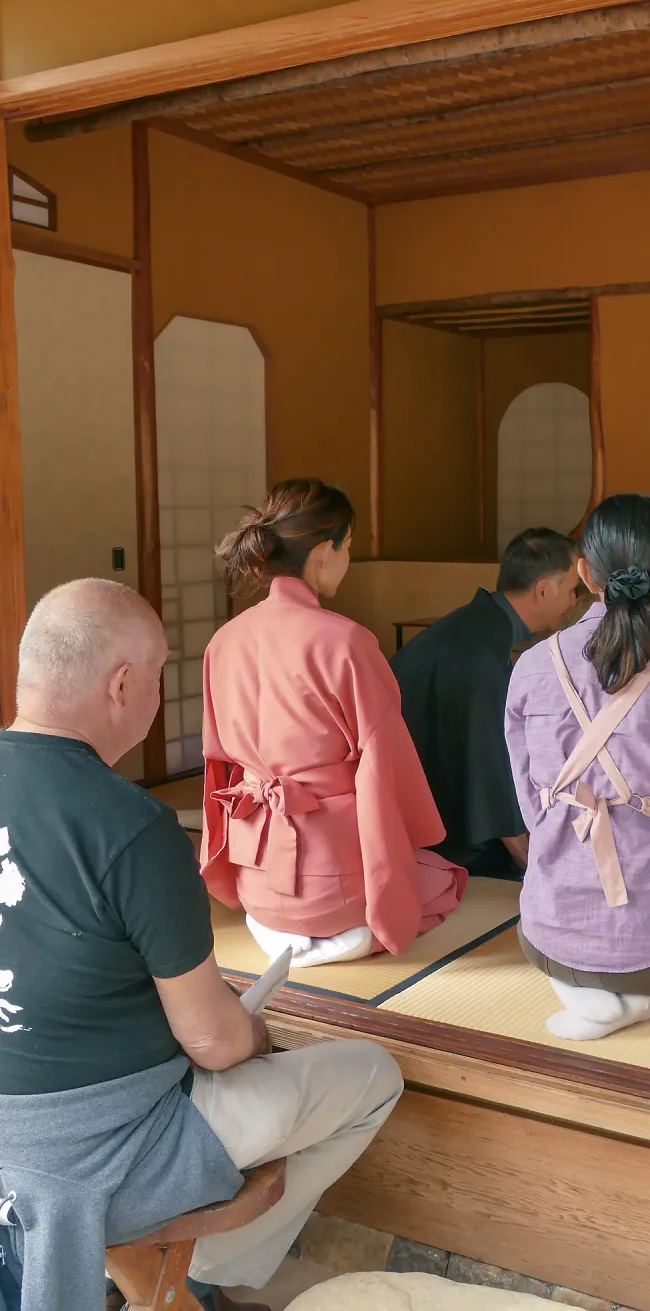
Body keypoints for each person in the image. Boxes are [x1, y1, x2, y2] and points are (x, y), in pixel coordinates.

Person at [0, 579, 403, 1311]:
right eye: (158, 678)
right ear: (122, 685)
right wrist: (252, 1030)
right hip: (108, 1154)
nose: (157, 700)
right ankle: (197, 1279)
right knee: (373, 1076)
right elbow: (213, 1042)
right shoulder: (133, 828)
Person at [201, 479, 466, 968]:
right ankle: (341, 936)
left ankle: (283, 931)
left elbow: (218, 762)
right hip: (332, 885)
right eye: (349, 547)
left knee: (418, 877)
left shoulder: (224, 641)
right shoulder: (346, 641)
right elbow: (384, 769)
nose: (347, 558)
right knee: (442, 879)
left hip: (253, 874)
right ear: (325, 552)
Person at [505, 494, 650, 1042]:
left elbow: (528, 800)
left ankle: (592, 992)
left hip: (542, 938)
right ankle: (637, 1001)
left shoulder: (531, 666)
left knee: (565, 935)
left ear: (584, 573)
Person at [392, 528, 579, 880]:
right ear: (543, 590)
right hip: (433, 828)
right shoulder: (480, 656)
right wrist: (537, 866)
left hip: (423, 788)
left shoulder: (477, 625)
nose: (572, 602)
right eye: (571, 590)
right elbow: (488, 767)